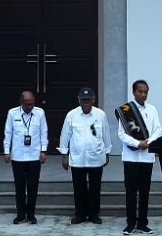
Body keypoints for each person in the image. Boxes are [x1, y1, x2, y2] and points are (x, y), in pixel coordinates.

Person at [58, 87, 112, 225]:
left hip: (96, 156)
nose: (86, 103)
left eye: (88, 100)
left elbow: (106, 133)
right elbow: (65, 135)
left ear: (93, 100)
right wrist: (65, 155)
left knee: (95, 188)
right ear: (79, 100)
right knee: (79, 188)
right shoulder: (71, 115)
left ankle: (94, 214)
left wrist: (107, 152)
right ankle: (80, 214)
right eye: (83, 100)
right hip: (77, 158)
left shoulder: (100, 115)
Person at [118, 80, 162, 235]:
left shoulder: (152, 109)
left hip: (147, 157)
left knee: (145, 192)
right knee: (130, 192)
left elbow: (158, 129)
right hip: (130, 158)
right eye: (140, 91)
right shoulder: (126, 110)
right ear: (134, 92)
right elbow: (121, 134)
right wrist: (138, 143)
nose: (143, 94)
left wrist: (148, 142)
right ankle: (130, 223)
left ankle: (143, 223)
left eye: (145, 92)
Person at [2, 90, 48, 224]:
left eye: (32, 104)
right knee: (20, 186)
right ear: (21, 102)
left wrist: (43, 151)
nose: (30, 106)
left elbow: (43, 132)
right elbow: (8, 133)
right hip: (18, 156)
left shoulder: (40, 113)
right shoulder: (12, 113)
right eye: (27, 104)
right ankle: (20, 214)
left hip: (34, 155)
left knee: (33, 186)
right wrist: (6, 151)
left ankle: (31, 214)